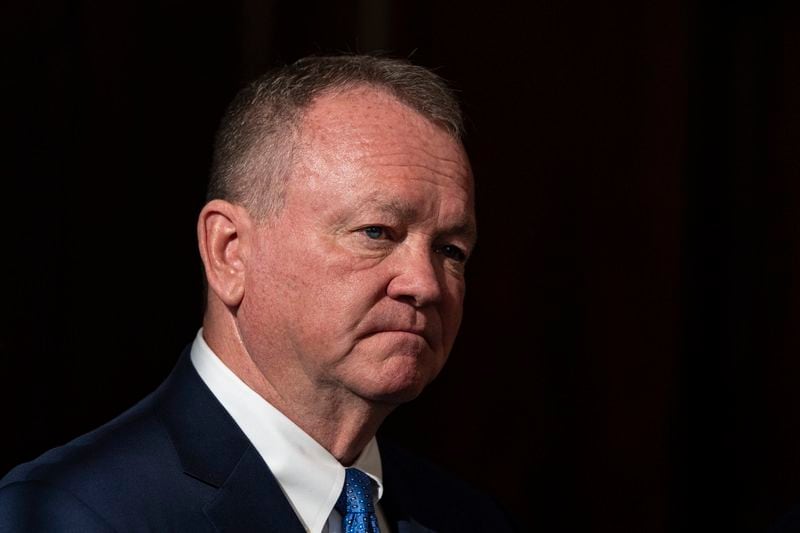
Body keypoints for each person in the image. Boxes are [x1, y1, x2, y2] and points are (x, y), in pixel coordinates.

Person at [0, 55, 515, 532]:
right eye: (376, 232)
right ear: (230, 252)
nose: (424, 285)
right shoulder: (72, 513)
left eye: (450, 250)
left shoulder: (467, 518)